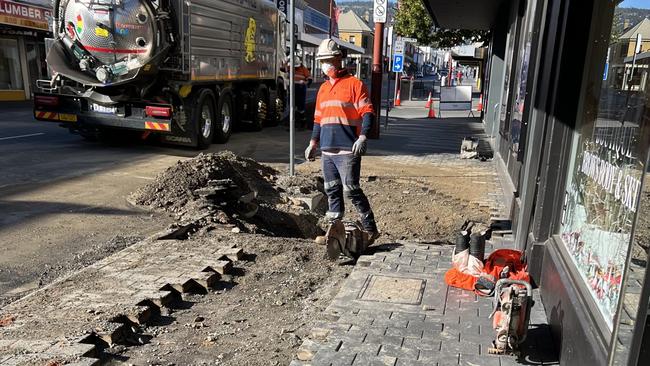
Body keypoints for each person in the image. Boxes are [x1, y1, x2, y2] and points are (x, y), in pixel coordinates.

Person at [304, 38, 380, 253]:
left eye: (328, 60)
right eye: (322, 61)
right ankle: (333, 233)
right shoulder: (323, 89)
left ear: (338, 59)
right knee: (332, 190)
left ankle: (370, 228)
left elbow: (367, 113)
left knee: (351, 190)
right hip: (327, 149)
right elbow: (318, 119)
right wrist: (313, 143)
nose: (325, 65)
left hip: (348, 148)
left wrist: (363, 137)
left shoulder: (355, 85)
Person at [293, 56, 312, 128]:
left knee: (301, 107)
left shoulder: (303, 69)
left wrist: (304, 82)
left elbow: (309, 79)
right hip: (293, 88)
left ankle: (303, 123)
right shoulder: (291, 67)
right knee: (293, 106)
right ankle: (294, 123)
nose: (296, 68)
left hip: (301, 88)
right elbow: (282, 69)